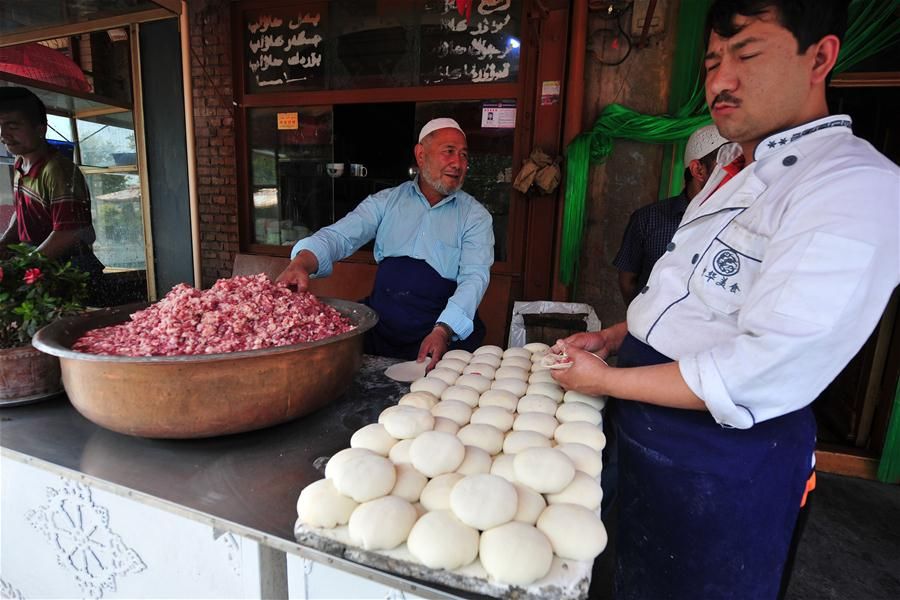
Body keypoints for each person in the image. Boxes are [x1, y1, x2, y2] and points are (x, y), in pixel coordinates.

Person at [552, 1, 899, 599]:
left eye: (748, 54)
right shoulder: (730, 169)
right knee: (626, 576)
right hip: (642, 427)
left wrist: (606, 382)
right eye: (713, 61)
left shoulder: (853, 186)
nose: (720, 80)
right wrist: (616, 339)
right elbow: (689, 297)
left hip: (720, 461)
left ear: (821, 57)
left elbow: (764, 367)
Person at [277, 118, 494, 366]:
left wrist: (444, 330)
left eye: (464, 155)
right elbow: (339, 236)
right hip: (383, 329)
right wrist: (302, 263)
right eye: (449, 152)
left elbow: (474, 278)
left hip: (440, 333)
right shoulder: (386, 202)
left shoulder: (474, 217)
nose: (458, 163)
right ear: (421, 155)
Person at [0, 87, 104, 292]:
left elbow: (69, 232)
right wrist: (4, 243)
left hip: (70, 271)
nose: (4, 135)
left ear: (40, 129)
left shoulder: (57, 170)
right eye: (1, 126)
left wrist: (25, 265)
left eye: (12, 126)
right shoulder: (20, 163)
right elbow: (22, 213)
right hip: (42, 262)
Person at [613, 124, 729, 304]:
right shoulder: (649, 219)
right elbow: (627, 282)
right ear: (698, 169)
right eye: (727, 165)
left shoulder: (737, 221)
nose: (737, 174)